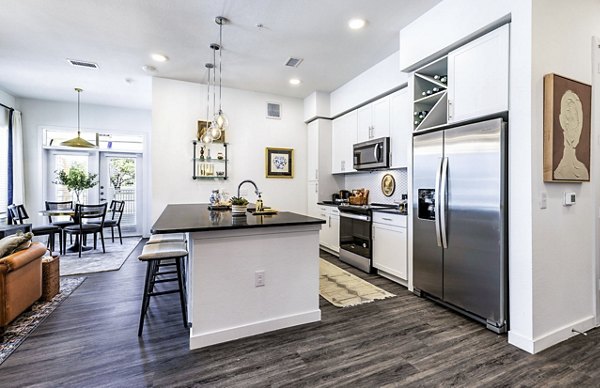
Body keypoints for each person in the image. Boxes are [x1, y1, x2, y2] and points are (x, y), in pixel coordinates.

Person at [554, 89, 589, 180]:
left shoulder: (583, 172)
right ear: (562, 121)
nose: (576, 128)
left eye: (577, 121)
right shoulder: (558, 172)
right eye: (570, 119)